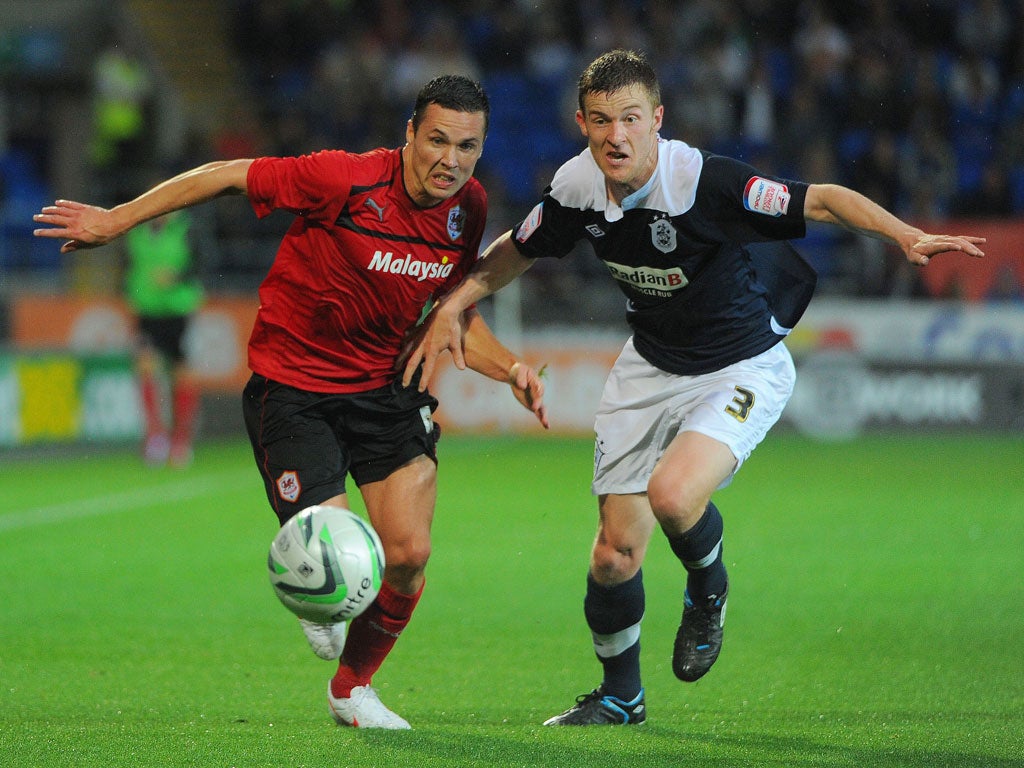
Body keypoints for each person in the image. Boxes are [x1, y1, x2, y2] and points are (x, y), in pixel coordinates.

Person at [402, 50, 985, 726]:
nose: (614, 136)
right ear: (581, 123)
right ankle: (621, 697)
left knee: (674, 495)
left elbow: (820, 200)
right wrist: (452, 303)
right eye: (599, 121)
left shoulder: (705, 183)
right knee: (614, 557)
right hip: (649, 366)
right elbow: (519, 250)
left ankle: (708, 587)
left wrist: (905, 234)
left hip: (741, 366)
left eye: (628, 120)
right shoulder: (575, 186)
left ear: (656, 119)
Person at [33, 74, 548, 730]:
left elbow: (450, 318)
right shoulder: (344, 179)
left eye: (468, 146)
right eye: (438, 139)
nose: (450, 159)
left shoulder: (467, 209)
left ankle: (351, 689)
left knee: (410, 555)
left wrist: (511, 369)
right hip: (295, 389)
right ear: (410, 135)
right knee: (335, 558)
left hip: (386, 392)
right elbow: (227, 174)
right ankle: (320, 598)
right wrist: (119, 219)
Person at [123, 204, 203, 468]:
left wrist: (177, 277)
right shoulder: (137, 233)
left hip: (178, 309)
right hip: (147, 310)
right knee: (146, 367)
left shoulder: (186, 230)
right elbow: (128, 266)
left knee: (180, 373)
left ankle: (181, 439)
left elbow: (203, 265)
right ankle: (156, 437)